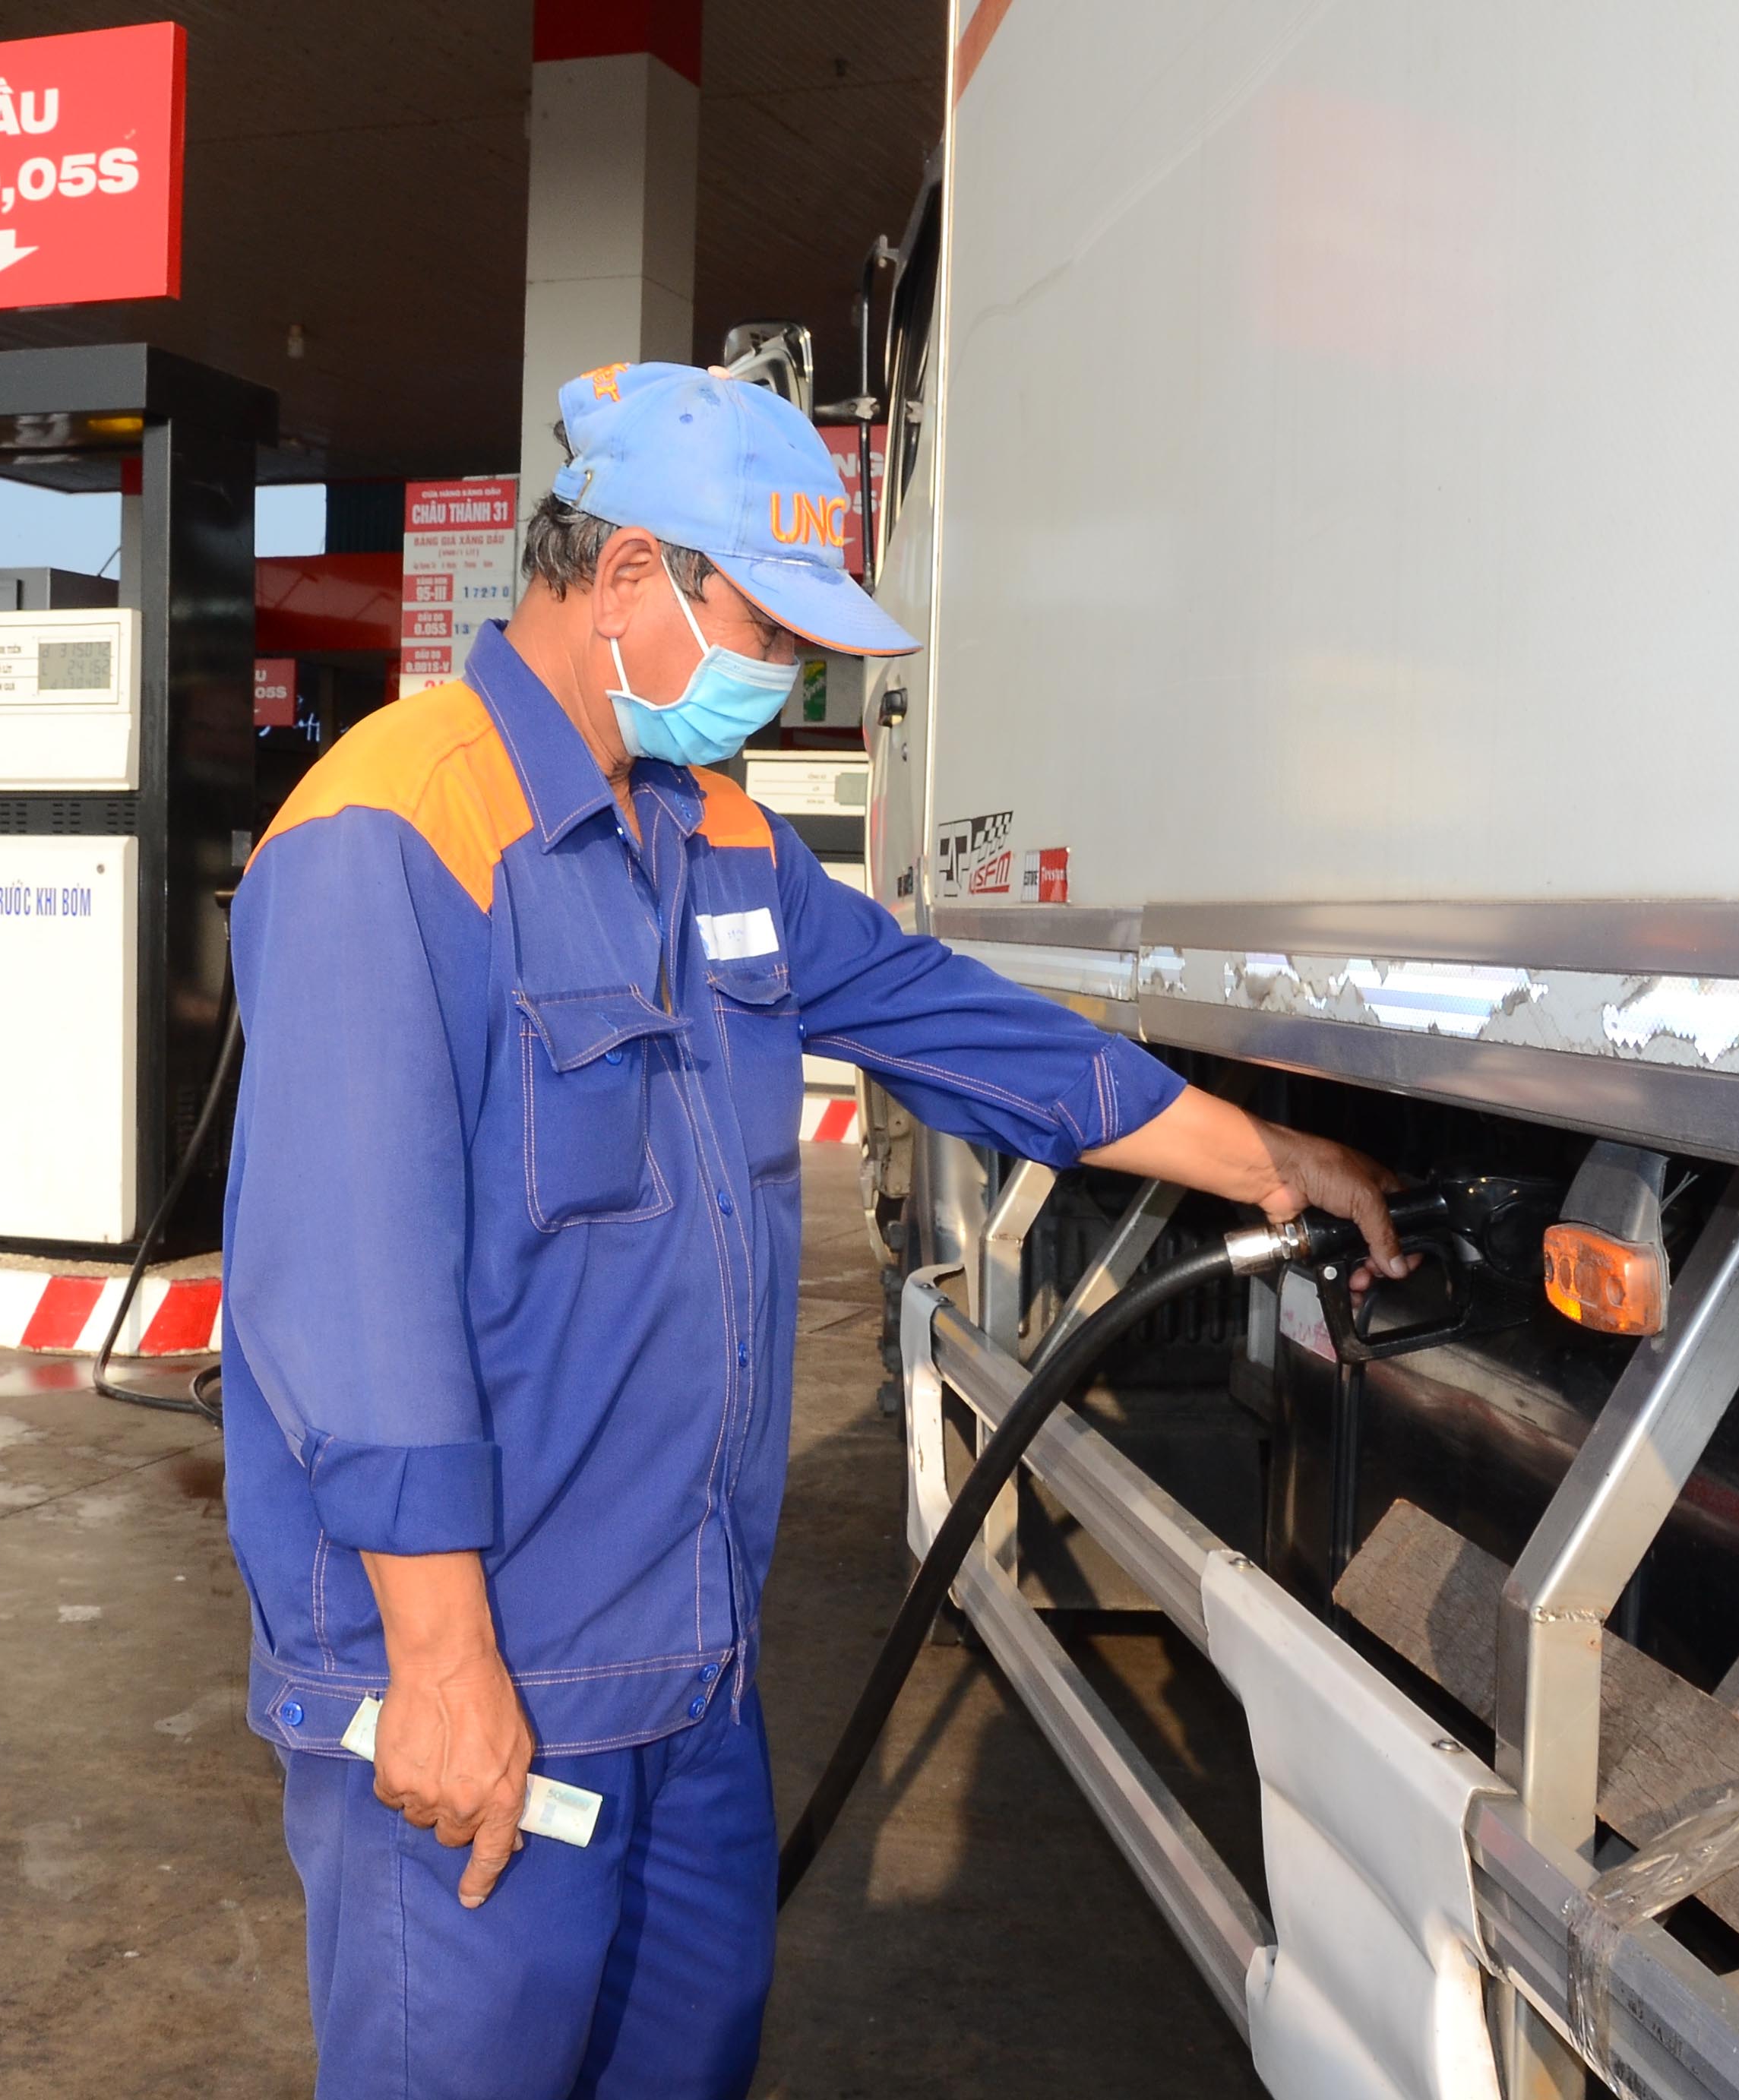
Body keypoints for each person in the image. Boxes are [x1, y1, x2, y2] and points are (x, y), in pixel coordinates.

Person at [222, 362, 1416, 2100]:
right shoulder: (393, 831)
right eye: (767, 627)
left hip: (687, 1665)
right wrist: (442, 1658)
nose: (784, 676)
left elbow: (952, 1022)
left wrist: (1266, 1156)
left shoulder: (711, 832)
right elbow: (347, 1296)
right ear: (630, 575)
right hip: (483, 1666)